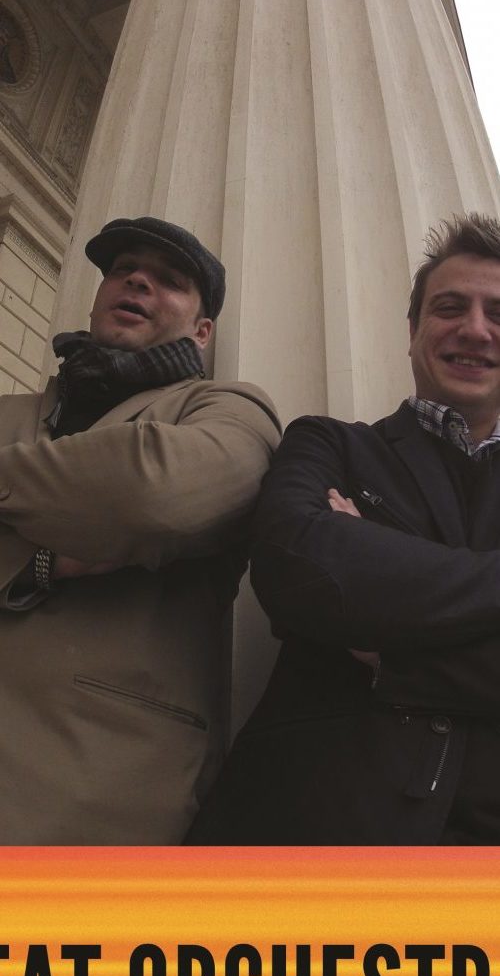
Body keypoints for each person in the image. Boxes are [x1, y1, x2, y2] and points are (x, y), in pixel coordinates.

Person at [188, 213, 500, 844]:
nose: (475, 328)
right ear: (411, 331)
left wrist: (391, 653)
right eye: (449, 307)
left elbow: (350, 577)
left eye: (498, 312)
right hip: (308, 832)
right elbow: (295, 570)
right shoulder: (327, 443)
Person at [0, 215, 280, 841]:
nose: (137, 282)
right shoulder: (10, 413)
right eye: (124, 270)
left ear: (203, 332)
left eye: (170, 280)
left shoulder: (228, 409)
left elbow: (157, 493)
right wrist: (40, 559)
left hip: (93, 793)